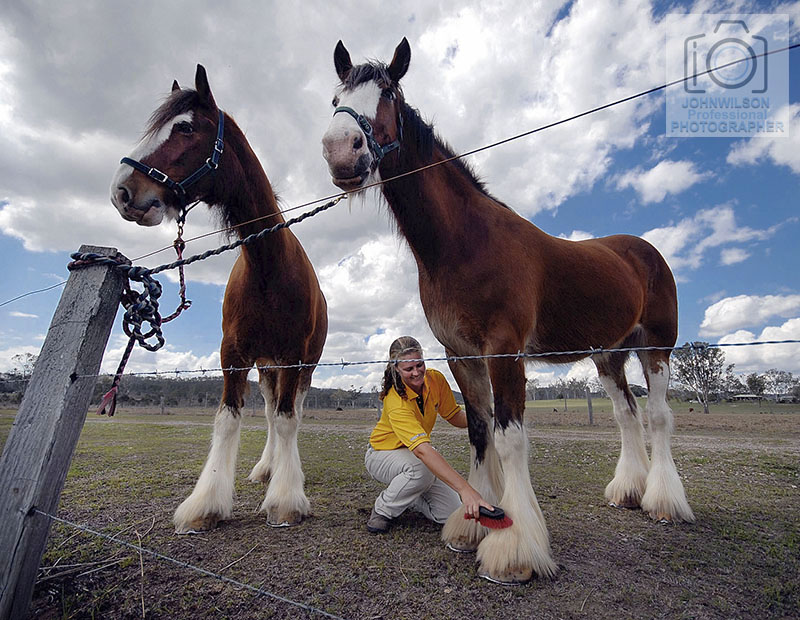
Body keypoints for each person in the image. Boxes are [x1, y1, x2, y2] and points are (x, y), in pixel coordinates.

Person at [364, 336, 494, 533]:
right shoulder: (395, 401)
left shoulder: (436, 380)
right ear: (396, 369)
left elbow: (454, 416)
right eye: (408, 369)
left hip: (413, 456)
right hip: (382, 454)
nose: (416, 373)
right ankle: (383, 510)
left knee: (451, 513)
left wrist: (484, 418)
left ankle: (412, 497)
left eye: (419, 364)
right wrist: (466, 490)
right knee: (421, 469)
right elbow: (423, 452)